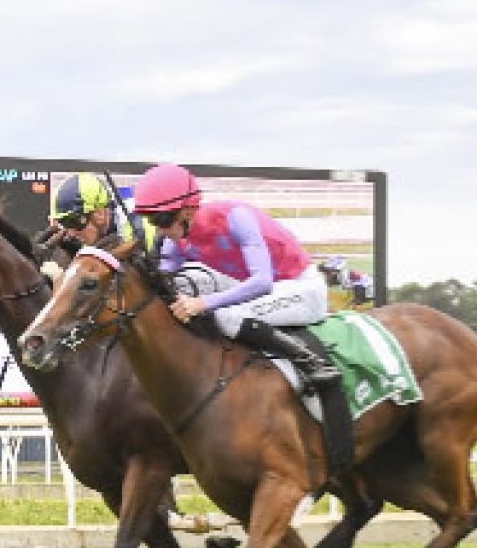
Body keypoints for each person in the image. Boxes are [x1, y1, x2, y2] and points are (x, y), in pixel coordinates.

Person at [130, 163, 353, 464]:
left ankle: (310, 362)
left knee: (224, 316)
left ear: (187, 210)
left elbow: (261, 282)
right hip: (265, 291)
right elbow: (163, 282)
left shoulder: (236, 217)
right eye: (152, 220)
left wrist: (204, 304)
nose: (160, 228)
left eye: (163, 218)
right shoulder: (176, 239)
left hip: (301, 289)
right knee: (199, 296)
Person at [45, 171, 148, 251]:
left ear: (100, 213)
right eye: (64, 223)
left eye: (74, 222)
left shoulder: (137, 225)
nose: (71, 233)